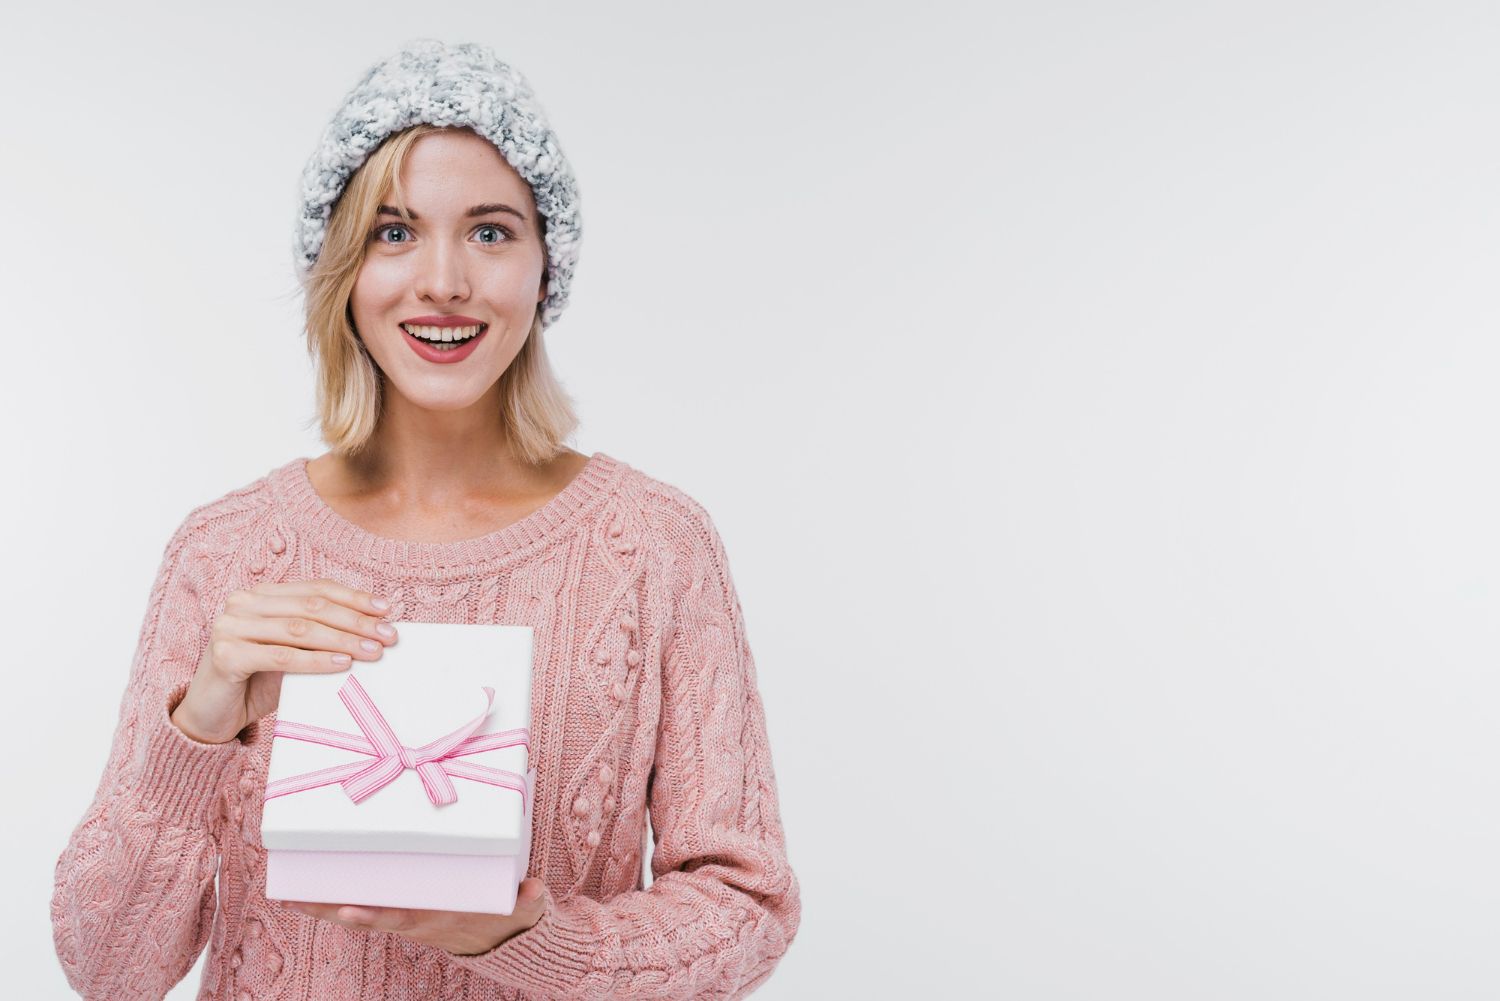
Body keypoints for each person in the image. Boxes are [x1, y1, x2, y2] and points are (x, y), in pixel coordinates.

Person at [50, 38, 800, 1000]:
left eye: (490, 232)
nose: (443, 280)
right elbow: (107, 967)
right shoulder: (227, 550)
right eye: (394, 232)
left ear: (544, 268)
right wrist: (200, 723)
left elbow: (750, 908)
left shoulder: (656, 547)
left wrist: (530, 934)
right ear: (342, 270)